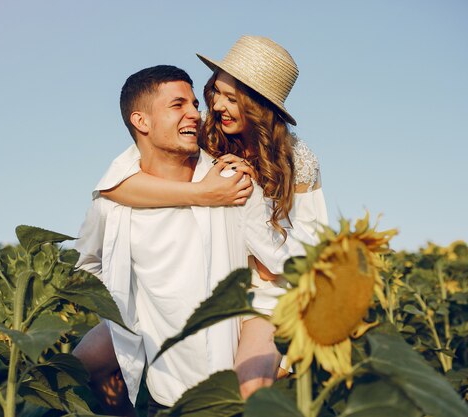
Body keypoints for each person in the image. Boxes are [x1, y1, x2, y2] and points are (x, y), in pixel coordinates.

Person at [97, 36, 329, 398]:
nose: (216, 106)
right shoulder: (201, 137)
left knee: (248, 387)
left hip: (264, 297)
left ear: (259, 104)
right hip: (199, 283)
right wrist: (201, 193)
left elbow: (309, 252)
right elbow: (116, 186)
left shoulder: (298, 161)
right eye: (215, 92)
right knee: (93, 366)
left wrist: (253, 210)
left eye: (231, 98)